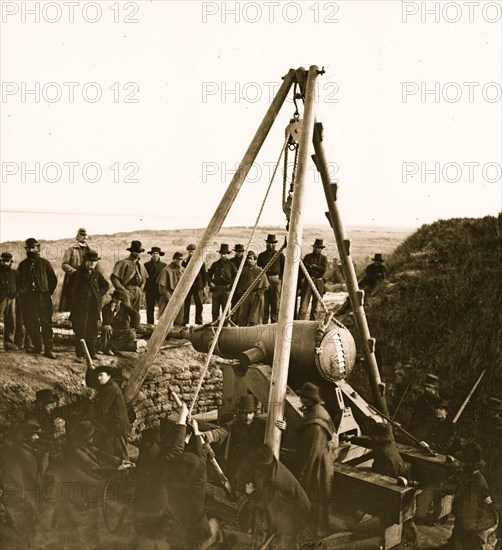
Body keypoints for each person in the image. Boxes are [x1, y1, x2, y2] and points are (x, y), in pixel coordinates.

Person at [236, 444, 311, 550]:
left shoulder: (276, 478)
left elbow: (263, 502)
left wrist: (252, 492)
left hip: (296, 510)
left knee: (286, 541)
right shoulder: (269, 463)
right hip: (282, 504)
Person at [164, 418, 224, 549]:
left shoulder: (170, 477)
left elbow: (176, 454)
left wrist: (182, 424)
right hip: (197, 531)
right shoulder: (198, 483)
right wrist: (196, 430)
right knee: (215, 523)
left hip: (177, 527)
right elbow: (202, 457)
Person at [202, 393, 285, 481]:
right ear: (239, 413)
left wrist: (282, 429)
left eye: (250, 413)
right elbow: (220, 432)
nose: (247, 416)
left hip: (257, 464)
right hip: (239, 464)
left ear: (255, 413)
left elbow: (276, 437)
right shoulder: (233, 425)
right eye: (244, 413)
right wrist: (207, 435)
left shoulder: (262, 425)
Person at [294, 382, 335, 537]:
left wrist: (303, 474)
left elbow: (310, 452)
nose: (300, 400)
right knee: (321, 496)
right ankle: (318, 528)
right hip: (324, 460)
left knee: (315, 495)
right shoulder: (318, 411)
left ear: (307, 399)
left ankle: (315, 532)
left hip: (317, 466)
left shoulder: (315, 425)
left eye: (302, 398)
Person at [445, 442, 498, 550]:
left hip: (473, 520)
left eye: (464, 463)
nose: (461, 465)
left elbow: (487, 502)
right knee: (457, 536)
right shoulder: (467, 476)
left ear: (471, 465)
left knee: (470, 542)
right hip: (463, 516)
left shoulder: (478, 481)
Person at [0, 418, 43, 549]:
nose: (36, 437)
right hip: (21, 499)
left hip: (12, 496)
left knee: (20, 531)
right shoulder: (24, 453)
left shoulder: (12, 450)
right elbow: (32, 480)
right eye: (34, 434)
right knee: (25, 533)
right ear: (25, 435)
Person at [17, 238, 57, 359]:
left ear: (38, 248)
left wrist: (47, 292)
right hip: (28, 300)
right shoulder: (22, 265)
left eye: (33, 248)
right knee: (31, 323)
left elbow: (53, 280)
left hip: (43, 298)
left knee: (46, 324)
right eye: (28, 248)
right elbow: (18, 282)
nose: (30, 250)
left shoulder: (45, 263)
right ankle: (37, 347)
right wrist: (23, 294)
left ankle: (48, 349)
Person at [68, 250, 109, 360]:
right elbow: (70, 292)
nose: (92, 264)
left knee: (92, 330)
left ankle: (92, 352)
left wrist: (98, 294)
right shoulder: (77, 274)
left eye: (94, 262)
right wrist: (75, 305)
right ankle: (80, 354)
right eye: (90, 261)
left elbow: (105, 285)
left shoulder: (96, 274)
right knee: (80, 331)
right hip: (80, 309)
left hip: (93, 308)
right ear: (85, 261)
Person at [85, 364, 131, 460]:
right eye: (97, 376)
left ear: (109, 375)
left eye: (101, 375)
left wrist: (87, 416)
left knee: (120, 453)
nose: (98, 378)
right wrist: (90, 370)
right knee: (108, 451)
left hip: (117, 427)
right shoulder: (107, 385)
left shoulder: (111, 389)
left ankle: (126, 470)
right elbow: (91, 383)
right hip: (109, 425)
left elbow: (101, 410)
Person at [59, 228, 103, 312]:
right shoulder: (70, 250)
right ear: (77, 237)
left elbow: (96, 267)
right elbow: (64, 264)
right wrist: (74, 272)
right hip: (74, 278)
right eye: (81, 235)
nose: (84, 237)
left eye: (85, 235)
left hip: (88, 278)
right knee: (71, 298)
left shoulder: (91, 251)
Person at [110, 240, 148, 314]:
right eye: (135, 251)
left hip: (138, 290)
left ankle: (134, 325)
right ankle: (126, 326)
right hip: (127, 289)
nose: (137, 254)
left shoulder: (140, 264)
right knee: (126, 311)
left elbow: (144, 278)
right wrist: (122, 290)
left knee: (136, 312)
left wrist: (141, 289)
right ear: (131, 252)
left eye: (139, 252)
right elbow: (114, 278)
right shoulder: (123, 263)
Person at [100, 289, 141, 355]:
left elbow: (136, 314)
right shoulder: (106, 308)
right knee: (106, 328)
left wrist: (134, 326)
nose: (118, 301)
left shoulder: (124, 306)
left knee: (132, 333)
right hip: (111, 332)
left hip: (122, 331)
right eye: (117, 299)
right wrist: (111, 310)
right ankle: (105, 348)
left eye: (120, 300)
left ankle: (110, 348)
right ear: (113, 298)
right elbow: (107, 322)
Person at [236, 251, 269, 326]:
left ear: (255, 260)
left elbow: (265, 285)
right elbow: (239, 283)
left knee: (254, 317)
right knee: (243, 315)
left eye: (252, 259)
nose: (250, 260)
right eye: (248, 258)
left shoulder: (260, 271)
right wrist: (240, 291)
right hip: (245, 295)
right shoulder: (243, 270)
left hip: (256, 295)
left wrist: (259, 293)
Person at [298, 239, 328, 321]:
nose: (317, 249)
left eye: (319, 248)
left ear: (321, 249)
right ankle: (299, 325)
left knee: (316, 308)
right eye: (316, 247)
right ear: (313, 248)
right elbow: (304, 269)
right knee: (303, 307)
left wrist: (312, 266)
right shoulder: (308, 257)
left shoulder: (324, 259)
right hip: (308, 281)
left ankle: (312, 325)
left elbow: (323, 270)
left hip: (319, 283)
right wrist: (314, 269)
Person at [257, 234, 285, 324]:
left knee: (275, 302)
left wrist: (281, 280)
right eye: (269, 243)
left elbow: (284, 268)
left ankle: (274, 323)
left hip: (276, 280)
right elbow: (258, 269)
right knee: (264, 303)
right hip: (264, 279)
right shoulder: (261, 256)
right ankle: (265, 323)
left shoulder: (280, 255)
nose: (271, 245)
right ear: (266, 243)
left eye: (273, 243)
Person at [207, 243, 238, 322]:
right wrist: (210, 283)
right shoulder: (215, 264)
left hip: (226, 290)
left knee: (226, 310)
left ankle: (224, 325)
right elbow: (208, 275)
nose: (223, 255)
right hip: (216, 289)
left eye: (225, 254)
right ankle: (214, 324)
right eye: (222, 254)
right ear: (220, 254)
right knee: (215, 310)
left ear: (227, 254)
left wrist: (230, 285)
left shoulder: (231, 265)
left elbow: (236, 277)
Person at [408, 373, 441, 440]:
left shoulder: (439, 402)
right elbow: (415, 415)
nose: (426, 389)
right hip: (418, 430)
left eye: (429, 387)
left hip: (431, 432)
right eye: (425, 386)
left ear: (435, 388)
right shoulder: (421, 399)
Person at [157, 251, 185, 325]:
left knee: (179, 319)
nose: (179, 261)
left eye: (181, 259)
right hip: (168, 298)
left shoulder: (183, 269)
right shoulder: (166, 270)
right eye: (178, 259)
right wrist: (170, 299)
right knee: (165, 320)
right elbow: (162, 288)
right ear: (173, 259)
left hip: (179, 297)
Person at [182, 244, 207, 325]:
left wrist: (203, 286)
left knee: (199, 304)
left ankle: (199, 321)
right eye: (190, 251)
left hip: (198, 286)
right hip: (187, 286)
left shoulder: (200, 261)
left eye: (193, 251)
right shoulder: (185, 262)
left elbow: (204, 274)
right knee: (186, 304)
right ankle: (185, 321)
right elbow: (182, 273)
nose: (191, 253)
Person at [144, 246, 167, 325]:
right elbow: (144, 277)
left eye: (156, 253)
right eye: (153, 253)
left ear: (159, 255)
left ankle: (162, 325)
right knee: (149, 309)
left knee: (162, 309)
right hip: (149, 290)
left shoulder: (164, 265)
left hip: (160, 291)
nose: (155, 255)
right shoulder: (146, 265)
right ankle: (149, 326)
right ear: (151, 254)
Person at [0, 252, 19, 351]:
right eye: (3, 261)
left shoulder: (14, 273)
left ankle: (8, 343)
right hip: (1, 299)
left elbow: (18, 285)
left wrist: (15, 294)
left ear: (10, 262)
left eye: (7, 261)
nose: (5, 263)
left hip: (12, 299)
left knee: (11, 321)